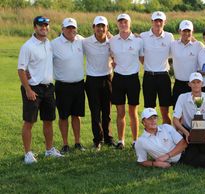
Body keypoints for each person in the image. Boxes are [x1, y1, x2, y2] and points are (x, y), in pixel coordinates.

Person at [18, 16, 63, 164]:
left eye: (46, 25)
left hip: (49, 87)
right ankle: (27, 154)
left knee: (48, 121)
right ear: (35, 27)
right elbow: (21, 70)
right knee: (29, 122)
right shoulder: (28, 46)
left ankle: (49, 150)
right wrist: (28, 89)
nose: (44, 28)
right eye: (41, 25)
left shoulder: (49, 43)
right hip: (33, 89)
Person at [51, 18, 86, 154]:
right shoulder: (54, 44)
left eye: (73, 28)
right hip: (63, 86)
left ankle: (77, 142)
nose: (71, 30)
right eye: (68, 28)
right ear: (62, 29)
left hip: (78, 84)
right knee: (63, 116)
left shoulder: (80, 40)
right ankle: (65, 144)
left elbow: (99, 40)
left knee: (76, 115)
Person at [110, 13, 143, 149]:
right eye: (120, 22)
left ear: (130, 23)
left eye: (125, 22)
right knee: (120, 112)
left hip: (133, 79)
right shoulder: (112, 40)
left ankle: (135, 141)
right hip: (118, 78)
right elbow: (109, 54)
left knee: (133, 111)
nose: (123, 25)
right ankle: (121, 140)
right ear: (117, 24)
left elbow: (142, 58)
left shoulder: (138, 40)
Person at [83, 16, 115, 150]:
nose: (100, 28)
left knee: (107, 111)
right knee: (95, 111)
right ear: (93, 27)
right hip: (92, 80)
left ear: (107, 28)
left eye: (103, 26)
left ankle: (108, 138)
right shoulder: (85, 42)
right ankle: (98, 139)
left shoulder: (112, 42)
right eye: (98, 26)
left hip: (107, 78)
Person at [140, 11, 174, 124]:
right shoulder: (143, 36)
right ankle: (151, 137)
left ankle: (168, 136)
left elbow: (174, 53)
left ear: (164, 22)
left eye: (160, 21)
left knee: (165, 111)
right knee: (149, 111)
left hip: (163, 77)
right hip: (149, 76)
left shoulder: (169, 37)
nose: (158, 23)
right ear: (152, 22)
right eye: (156, 21)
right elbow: (140, 56)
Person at [173, 72, 205, 145]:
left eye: (198, 82)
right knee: (174, 131)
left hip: (204, 129)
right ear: (189, 84)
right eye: (193, 82)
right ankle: (184, 148)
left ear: (202, 84)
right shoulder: (182, 97)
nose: (196, 85)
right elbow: (175, 120)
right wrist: (186, 133)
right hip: (187, 129)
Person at [171, 20, 204, 108]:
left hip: (195, 84)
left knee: (197, 112)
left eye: (189, 31)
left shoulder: (198, 45)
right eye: (184, 31)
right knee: (178, 112)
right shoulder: (173, 44)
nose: (186, 33)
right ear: (179, 31)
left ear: (192, 32)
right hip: (178, 84)